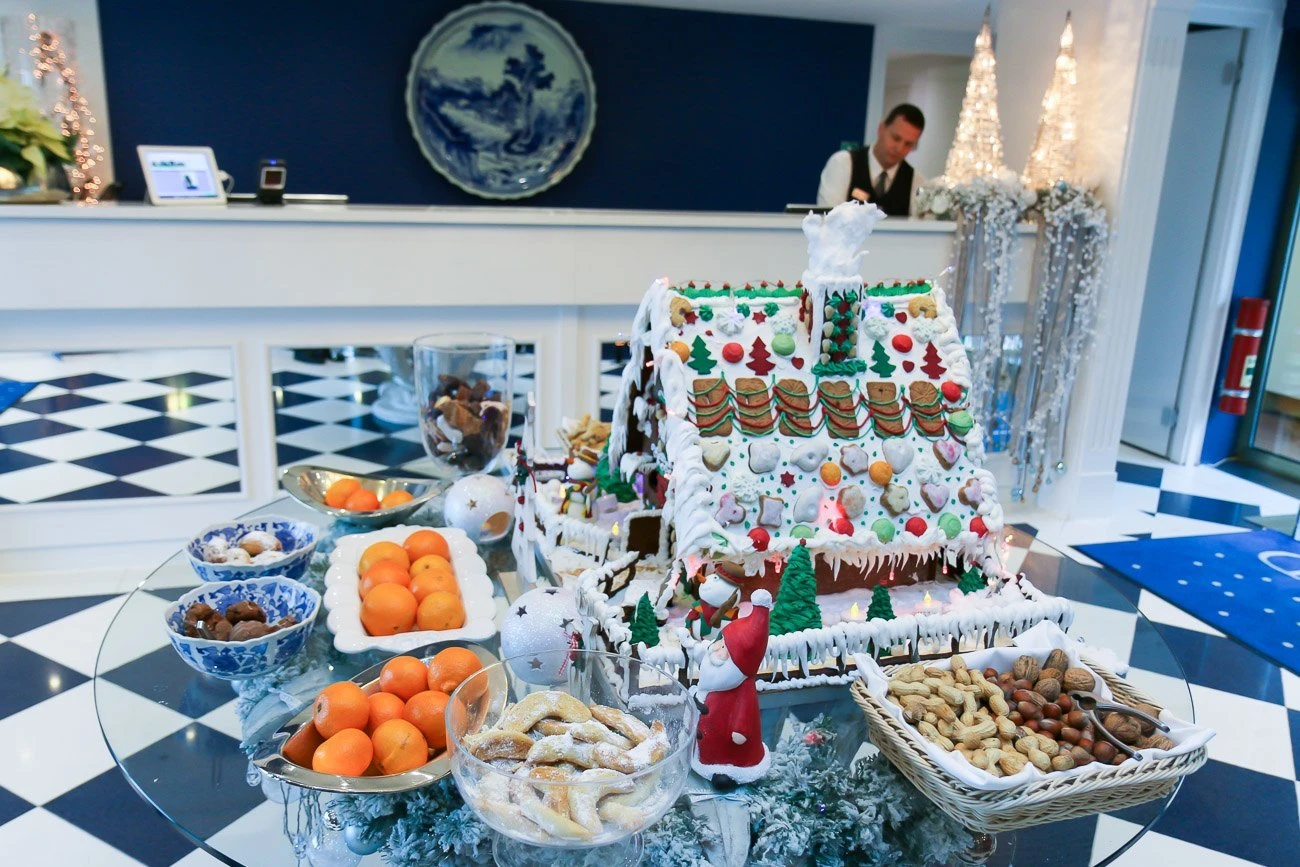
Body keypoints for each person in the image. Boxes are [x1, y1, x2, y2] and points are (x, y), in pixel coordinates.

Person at [816, 103, 926, 216]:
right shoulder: (843, 164)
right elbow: (829, 221)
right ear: (881, 129)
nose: (899, 148)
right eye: (895, 138)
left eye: (908, 144)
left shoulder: (916, 181)